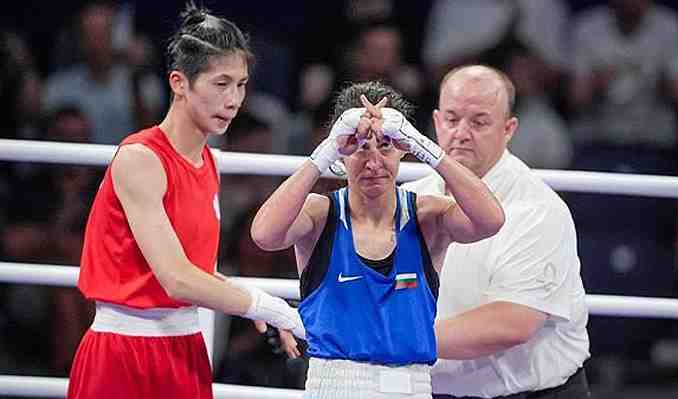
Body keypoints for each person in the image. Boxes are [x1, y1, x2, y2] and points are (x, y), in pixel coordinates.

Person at [66, 4, 304, 399]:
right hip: (124, 354)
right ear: (179, 83)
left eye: (241, 85)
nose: (234, 100)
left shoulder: (207, 161)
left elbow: (197, 273)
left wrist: (259, 306)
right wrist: (267, 307)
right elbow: (174, 277)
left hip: (186, 348)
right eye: (221, 84)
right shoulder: (141, 158)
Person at [251, 80, 505, 398]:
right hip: (332, 387)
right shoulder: (320, 214)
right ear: (342, 153)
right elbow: (264, 234)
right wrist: (325, 151)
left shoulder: (428, 216)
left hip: (411, 388)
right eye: (359, 147)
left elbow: (491, 220)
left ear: (402, 149)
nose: (373, 163)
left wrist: (421, 144)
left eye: (386, 145)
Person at [402, 65, 591, 398]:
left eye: (478, 122)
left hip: (530, 393)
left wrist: (396, 338)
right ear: (435, 122)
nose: (461, 133)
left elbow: (512, 323)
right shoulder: (408, 198)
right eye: (451, 118)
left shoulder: (537, 209)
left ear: (508, 129)